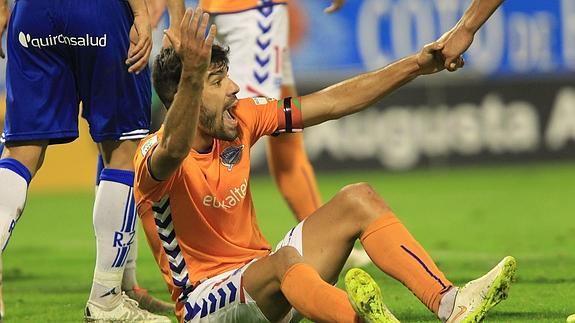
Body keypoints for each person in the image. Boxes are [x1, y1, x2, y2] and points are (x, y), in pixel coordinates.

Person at [134, 7, 516, 323]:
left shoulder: (241, 120)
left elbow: (333, 102)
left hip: (264, 280)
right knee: (283, 261)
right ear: (184, 93)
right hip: (205, 304)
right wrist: (192, 77)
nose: (234, 88)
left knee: (357, 199)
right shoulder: (153, 157)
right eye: (217, 81)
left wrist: (415, 65)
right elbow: (174, 146)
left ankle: (451, 304)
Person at [0, 0, 170, 321]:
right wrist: (140, 14)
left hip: (31, 14)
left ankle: (122, 290)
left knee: (21, 152)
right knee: (122, 150)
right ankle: (106, 301)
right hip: (97, 13)